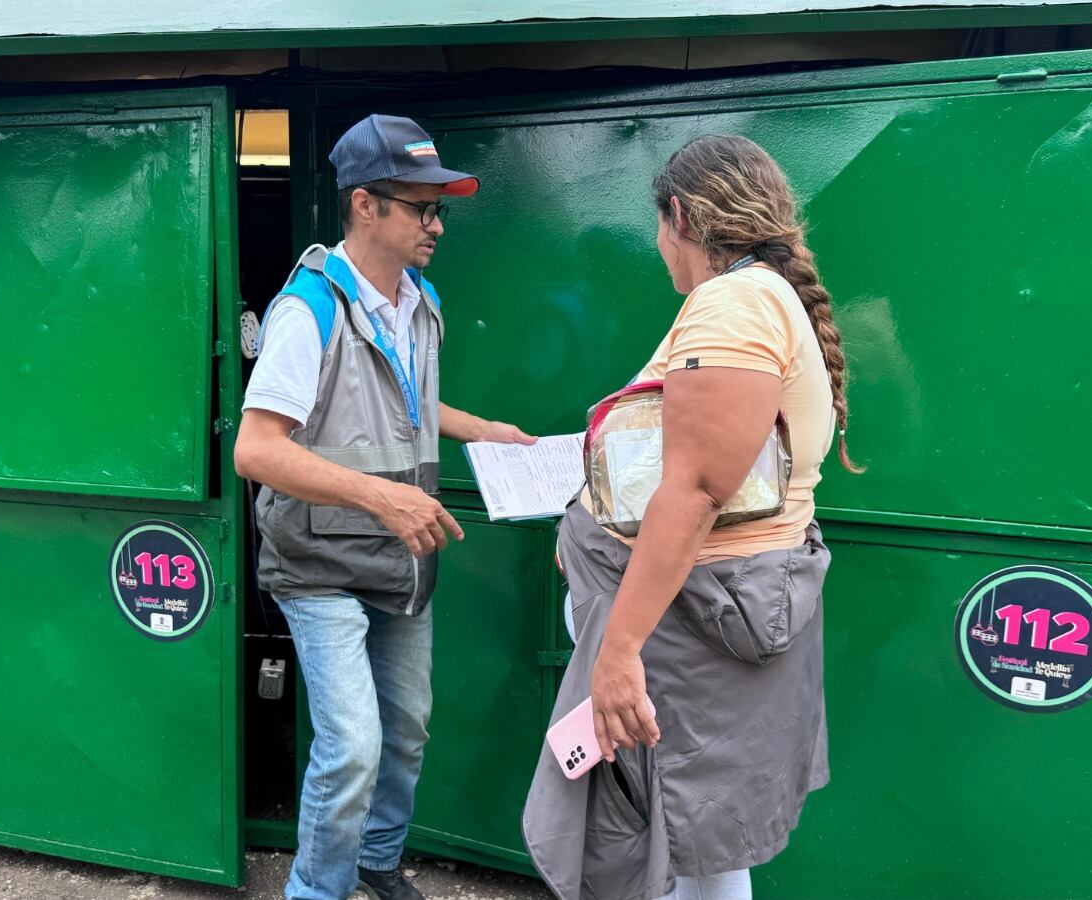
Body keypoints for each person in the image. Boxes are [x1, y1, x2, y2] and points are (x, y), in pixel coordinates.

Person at [523, 133, 862, 900]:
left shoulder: (734, 303)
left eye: (658, 226)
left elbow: (697, 490)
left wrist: (619, 651)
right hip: (701, 611)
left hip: (683, 622)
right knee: (697, 838)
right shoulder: (762, 297)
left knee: (674, 829)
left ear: (678, 214)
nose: (657, 246)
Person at [234, 114, 534, 900]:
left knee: (404, 733)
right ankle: (317, 890)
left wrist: (482, 430)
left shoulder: (419, 298)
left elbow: (406, 401)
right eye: (420, 207)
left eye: (440, 209)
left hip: (401, 561)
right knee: (353, 745)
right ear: (365, 205)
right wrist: (380, 496)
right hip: (319, 562)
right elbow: (256, 451)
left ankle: (377, 857)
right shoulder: (308, 309)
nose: (437, 224)